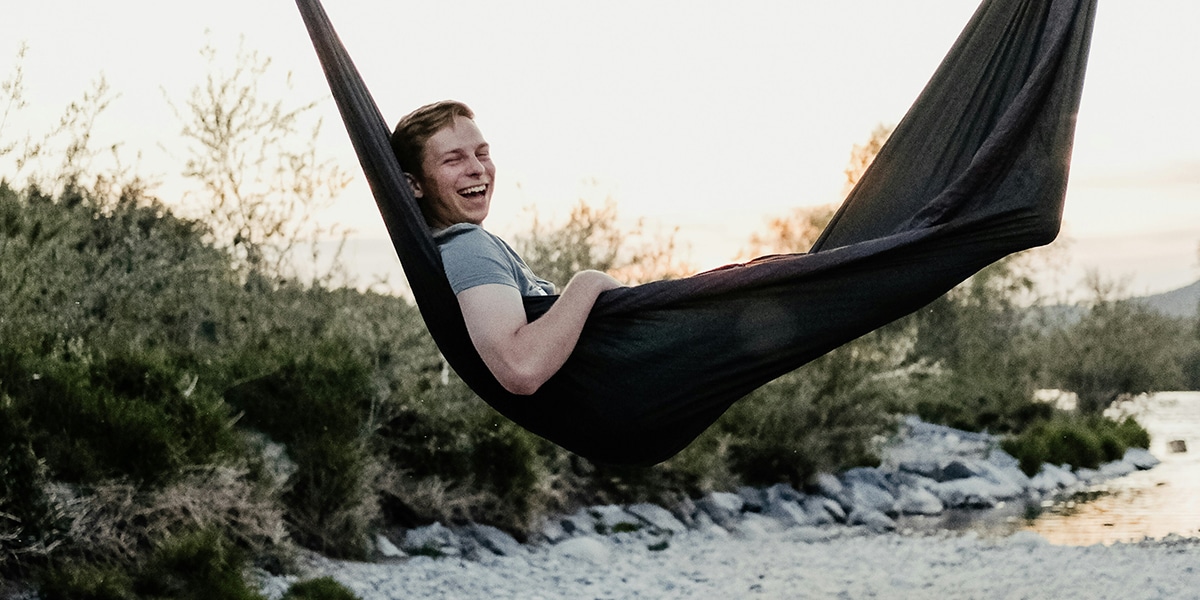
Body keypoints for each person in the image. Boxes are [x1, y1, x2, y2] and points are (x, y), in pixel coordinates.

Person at [390, 100, 623, 396]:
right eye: (453, 159)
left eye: (482, 154)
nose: (476, 168)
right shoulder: (468, 246)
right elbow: (520, 368)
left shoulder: (461, 244)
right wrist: (590, 282)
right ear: (414, 185)